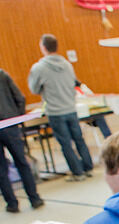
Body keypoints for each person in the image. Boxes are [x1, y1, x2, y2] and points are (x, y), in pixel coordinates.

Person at [28, 34, 93, 181]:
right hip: (71, 107)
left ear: (43, 47)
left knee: (65, 143)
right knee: (79, 139)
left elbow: (34, 89)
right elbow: (73, 83)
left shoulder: (39, 68)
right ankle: (87, 166)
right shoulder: (67, 65)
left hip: (55, 111)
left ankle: (77, 172)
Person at [0, 62, 44, 212]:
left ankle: (12, 203)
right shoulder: (0, 73)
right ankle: (34, 198)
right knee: (22, 162)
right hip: (10, 125)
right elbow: (20, 97)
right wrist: (16, 118)